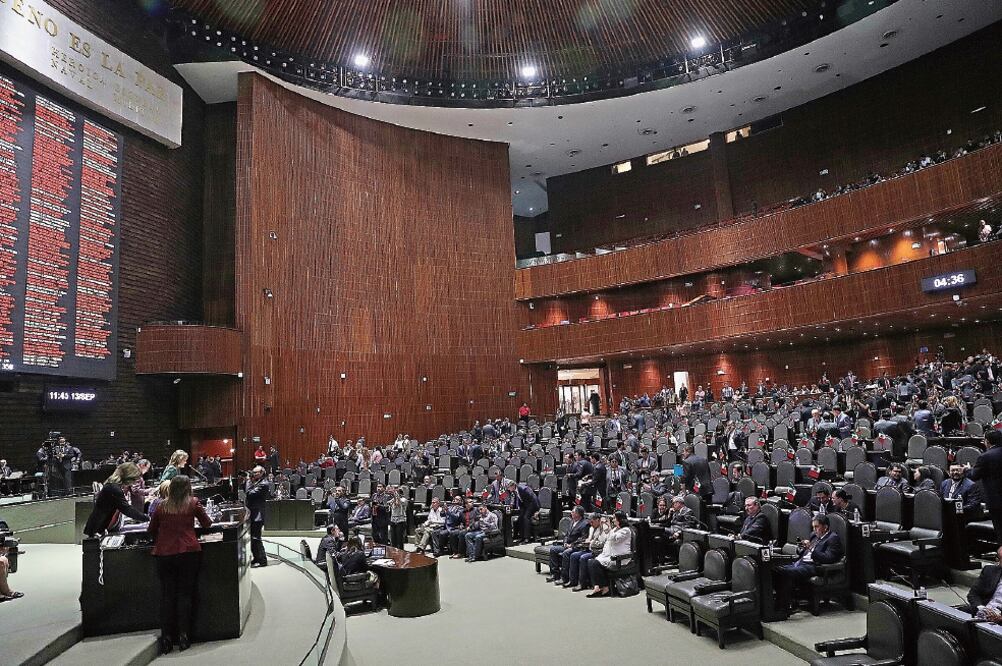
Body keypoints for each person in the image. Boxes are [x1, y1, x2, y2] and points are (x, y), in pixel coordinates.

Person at [148, 475, 212, 654]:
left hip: (164, 554)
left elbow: (151, 529)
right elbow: (207, 523)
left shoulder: (161, 506)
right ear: (188, 487)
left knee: (167, 596)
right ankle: (184, 636)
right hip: (188, 553)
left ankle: (167, 638)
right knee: (185, 595)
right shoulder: (193, 503)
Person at [773, 514, 844, 614]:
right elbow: (804, 552)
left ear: (825, 527)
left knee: (784, 572)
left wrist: (810, 548)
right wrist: (801, 547)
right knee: (775, 569)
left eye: (817, 526)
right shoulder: (814, 535)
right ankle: (783, 604)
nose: (814, 529)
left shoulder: (832, 538)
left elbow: (829, 558)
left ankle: (783, 607)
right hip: (800, 562)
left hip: (813, 566)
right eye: (813, 527)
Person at [83, 463, 151, 536]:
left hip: (99, 526)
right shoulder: (114, 489)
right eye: (134, 479)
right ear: (128, 477)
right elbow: (127, 510)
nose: (133, 482)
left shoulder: (111, 485)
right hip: (97, 528)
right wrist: (148, 518)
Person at [586, 510, 632, 598]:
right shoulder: (615, 529)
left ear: (620, 519)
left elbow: (614, 539)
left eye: (614, 518)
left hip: (619, 558)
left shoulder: (626, 530)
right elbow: (606, 538)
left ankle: (604, 587)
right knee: (591, 561)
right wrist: (604, 528)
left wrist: (609, 528)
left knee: (594, 563)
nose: (613, 520)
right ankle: (599, 587)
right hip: (609, 556)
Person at [967, 430, 1002, 542]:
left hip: (996, 501)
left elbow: (974, 476)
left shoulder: (985, 457)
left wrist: (968, 469)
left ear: (987, 441)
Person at [545, 506, 589, 585]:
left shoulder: (584, 524)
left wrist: (571, 545)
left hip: (577, 547)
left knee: (566, 553)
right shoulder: (572, 521)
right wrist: (565, 542)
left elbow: (583, 539)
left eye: (573, 512)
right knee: (553, 549)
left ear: (578, 514)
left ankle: (564, 578)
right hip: (567, 545)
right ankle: (555, 574)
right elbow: (567, 535)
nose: (571, 513)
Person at [571, 513, 611, 592]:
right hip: (589, 549)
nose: (591, 524)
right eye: (590, 522)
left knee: (583, 558)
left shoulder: (604, 528)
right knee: (574, 555)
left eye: (592, 522)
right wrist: (586, 542)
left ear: (598, 520)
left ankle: (582, 584)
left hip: (598, 551)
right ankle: (573, 581)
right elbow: (589, 539)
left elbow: (603, 542)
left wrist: (602, 527)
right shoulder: (591, 528)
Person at [965, 545, 1002, 622]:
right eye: (999, 558)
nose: (998, 562)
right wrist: (981, 608)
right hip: (982, 612)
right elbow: (973, 594)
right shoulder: (990, 571)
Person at [245, 465, 270, 567]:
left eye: (256, 472)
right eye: (253, 472)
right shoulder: (257, 482)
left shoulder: (264, 484)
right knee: (252, 538)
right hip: (253, 513)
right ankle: (256, 558)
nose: (254, 474)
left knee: (256, 538)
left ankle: (263, 560)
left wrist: (248, 481)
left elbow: (249, 493)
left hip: (257, 515)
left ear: (262, 473)